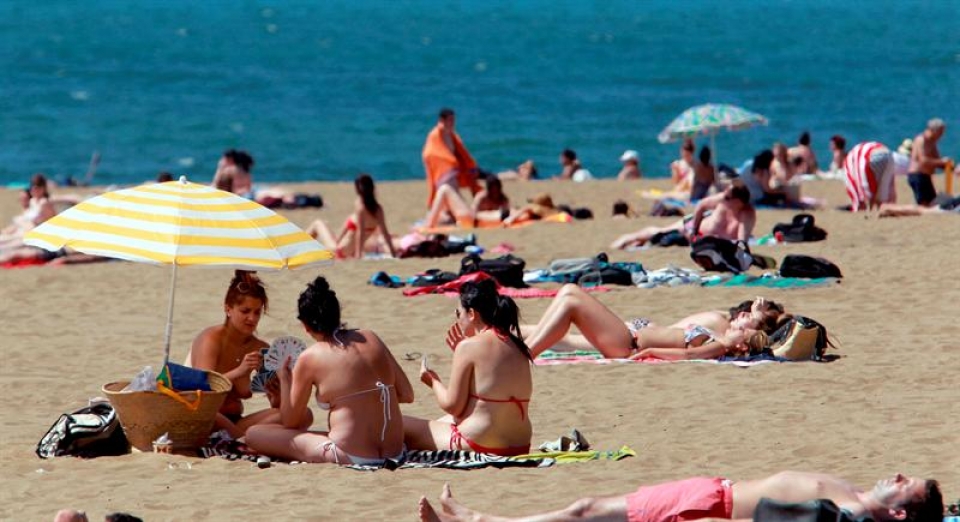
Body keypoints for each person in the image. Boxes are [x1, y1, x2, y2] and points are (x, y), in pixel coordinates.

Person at [246, 276, 414, 465]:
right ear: (337, 315)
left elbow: (290, 421)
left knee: (255, 434)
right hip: (395, 451)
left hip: (351, 454)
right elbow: (407, 394)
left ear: (305, 326)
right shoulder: (370, 337)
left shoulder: (311, 357)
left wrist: (284, 378)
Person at [417, 471, 943, 522]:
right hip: (710, 489)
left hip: (706, 507)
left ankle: (483, 520)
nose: (894, 474)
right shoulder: (851, 496)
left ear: (899, 512)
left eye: (904, 483)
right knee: (586, 512)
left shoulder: (844, 515)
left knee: (584, 512)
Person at [403, 279, 533, 456]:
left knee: (399, 424)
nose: (457, 319)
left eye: (458, 313)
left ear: (471, 313)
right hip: (520, 443)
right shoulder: (518, 345)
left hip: (480, 441)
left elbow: (453, 406)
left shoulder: (469, 347)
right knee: (442, 421)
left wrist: (432, 381)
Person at [521, 285, 779, 359]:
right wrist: (754, 312)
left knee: (571, 297)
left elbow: (688, 356)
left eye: (749, 319)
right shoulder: (723, 327)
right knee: (568, 295)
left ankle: (523, 355)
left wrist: (650, 352)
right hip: (629, 336)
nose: (744, 314)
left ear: (744, 343)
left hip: (628, 343)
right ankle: (521, 350)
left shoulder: (720, 341)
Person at [185, 271, 282, 438]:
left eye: (257, 312)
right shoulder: (211, 339)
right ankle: (244, 440)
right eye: (245, 311)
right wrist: (240, 371)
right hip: (207, 419)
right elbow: (202, 392)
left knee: (299, 414)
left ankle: (241, 438)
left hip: (236, 421)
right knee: (213, 416)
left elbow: (276, 405)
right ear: (228, 309)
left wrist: (277, 393)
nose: (252, 318)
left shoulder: (260, 348)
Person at [611, 183, 756, 250]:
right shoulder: (724, 199)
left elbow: (742, 241)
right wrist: (694, 228)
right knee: (660, 232)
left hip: (701, 241)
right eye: (724, 196)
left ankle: (636, 242)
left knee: (660, 239)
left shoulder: (746, 214)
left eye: (727, 198)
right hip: (692, 228)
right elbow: (701, 205)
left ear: (738, 202)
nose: (723, 198)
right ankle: (627, 238)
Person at [306, 174, 398, 259]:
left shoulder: (360, 207)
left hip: (338, 251)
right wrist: (393, 253)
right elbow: (385, 232)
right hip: (343, 251)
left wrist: (358, 255)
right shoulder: (378, 209)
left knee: (317, 223)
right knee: (325, 224)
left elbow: (360, 232)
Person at [422, 108, 481, 208]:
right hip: (444, 170)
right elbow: (429, 153)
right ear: (442, 120)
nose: (452, 123)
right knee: (451, 193)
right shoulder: (434, 135)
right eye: (450, 120)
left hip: (455, 168)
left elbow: (461, 152)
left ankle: (478, 203)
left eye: (453, 120)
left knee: (473, 178)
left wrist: (470, 165)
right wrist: (450, 162)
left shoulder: (451, 134)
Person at [422, 176, 511, 229]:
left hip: (470, 219)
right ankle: (432, 220)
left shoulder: (503, 201)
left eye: (496, 189)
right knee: (445, 211)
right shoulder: (482, 197)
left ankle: (429, 223)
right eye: (493, 189)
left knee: (445, 189)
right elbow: (474, 209)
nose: (495, 191)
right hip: (470, 218)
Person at [908, 118, 951, 206]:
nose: (942, 135)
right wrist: (942, 162)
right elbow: (923, 161)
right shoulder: (921, 140)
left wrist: (949, 165)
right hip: (917, 175)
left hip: (926, 176)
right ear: (934, 130)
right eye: (940, 132)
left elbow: (937, 161)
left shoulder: (932, 142)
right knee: (923, 204)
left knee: (931, 203)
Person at [844, 142, 898, 212]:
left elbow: (855, 187)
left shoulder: (849, 161)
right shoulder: (855, 152)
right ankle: (884, 211)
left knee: (868, 195)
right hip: (888, 153)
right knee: (882, 197)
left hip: (872, 155)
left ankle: (869, 210)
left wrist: (859, 202)